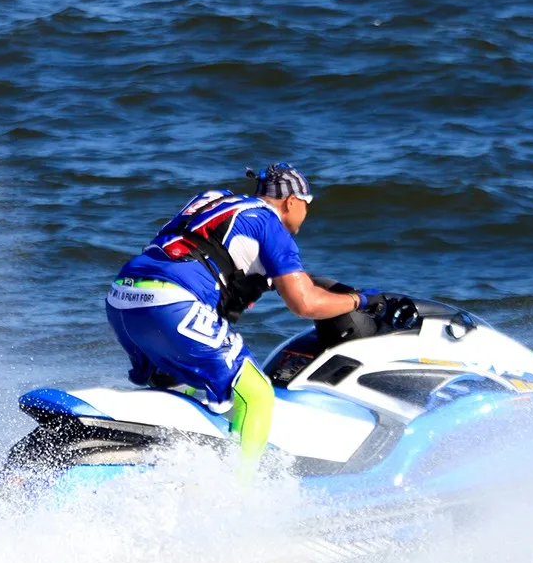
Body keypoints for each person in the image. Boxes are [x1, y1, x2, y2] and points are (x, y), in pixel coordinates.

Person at [105, 164, 367, 469]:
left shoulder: (213, 200)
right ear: (292, 201)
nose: (306, 214)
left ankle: (168, 471)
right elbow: (304, 304)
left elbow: (197, 248)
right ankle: (239, 497)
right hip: (171, 302)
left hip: (122, 298)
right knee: (257, 395)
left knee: (178, 387)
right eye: (306, 205)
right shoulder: (270, 224)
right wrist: (358, 300)